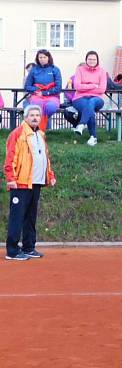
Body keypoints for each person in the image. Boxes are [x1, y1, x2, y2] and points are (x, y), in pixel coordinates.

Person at [4, 105, 56, 261]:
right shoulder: (18, 133)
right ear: (25, 118)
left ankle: (28, 247)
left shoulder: (41, 134)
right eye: (31, 115)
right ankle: (12, 251)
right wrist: (10, 178)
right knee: (17, 217)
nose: (35, 117)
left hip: (36, 183)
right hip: (20, 183)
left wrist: (50, 174)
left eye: (37, 115)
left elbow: (45, 157)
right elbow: (10, 157)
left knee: (31, 217)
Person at [71, 51, 108, 146]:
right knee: (89, 108)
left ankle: (82, 124)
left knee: (91, 102)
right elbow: (77, 86)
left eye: (94, 59)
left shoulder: (102, 71)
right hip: (80, 98)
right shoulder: (80, 70)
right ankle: (93, 137)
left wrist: (86, 87)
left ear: (97, 60)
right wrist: (93, 85)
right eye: (89, 59)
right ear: (86, 60)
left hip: (97, 99)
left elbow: (102, 89)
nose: (92, 61)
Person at [24, 49, 62, 131]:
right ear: (37, 59)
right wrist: (37, 90)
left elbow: (58, 88)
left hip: (52, 96)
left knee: (50, 107)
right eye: (40, 57)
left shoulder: (55, 69)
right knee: (37, 108)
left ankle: (39, 129)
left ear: (48, 58)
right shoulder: (34, 70)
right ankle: (36, 131)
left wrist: (45, 92)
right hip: (37, 96)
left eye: (44, 57)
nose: (42, 59)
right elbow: (27, 86)